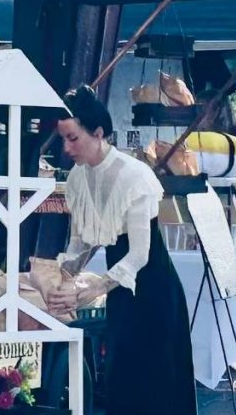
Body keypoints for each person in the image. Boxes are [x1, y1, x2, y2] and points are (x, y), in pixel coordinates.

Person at [46, 85, 197, 414]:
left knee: (157, 385)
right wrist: (64, 278)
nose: (67, 148)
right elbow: (81, 240)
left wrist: (94, 287)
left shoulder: (134, 175)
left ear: (98, 133)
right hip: (120, 291)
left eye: (73, 138)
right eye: (63, 139)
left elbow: (140, 254)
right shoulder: (77, 179)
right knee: (121, 379)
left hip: (154, 289)